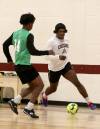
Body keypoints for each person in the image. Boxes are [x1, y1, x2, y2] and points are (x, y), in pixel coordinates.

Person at [3, 13, 54, 118]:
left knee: (32, 86)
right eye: (33, 23)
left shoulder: (15, 33)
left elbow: (4, 45)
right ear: (30, 24)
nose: (32, 25)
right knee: (40, 85)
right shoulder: (28, 35)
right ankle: (28, 108)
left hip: (18, 66)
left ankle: (15, 101)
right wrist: (48, 52)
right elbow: (33, 51)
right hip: (25, 65)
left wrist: (9, 58)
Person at [42, 23, 96, 110]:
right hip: (54, 69)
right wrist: (58, 57)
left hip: (65, 65)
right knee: (53, 88)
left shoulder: (67, 40)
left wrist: (65, 60)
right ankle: (44, 95)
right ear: (56, 32)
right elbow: (46, 57)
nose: (62, 33)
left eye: (64, 31)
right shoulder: (51, 42)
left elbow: (64, 52)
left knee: (77, 83)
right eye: (60, 31)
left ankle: (89, 102)